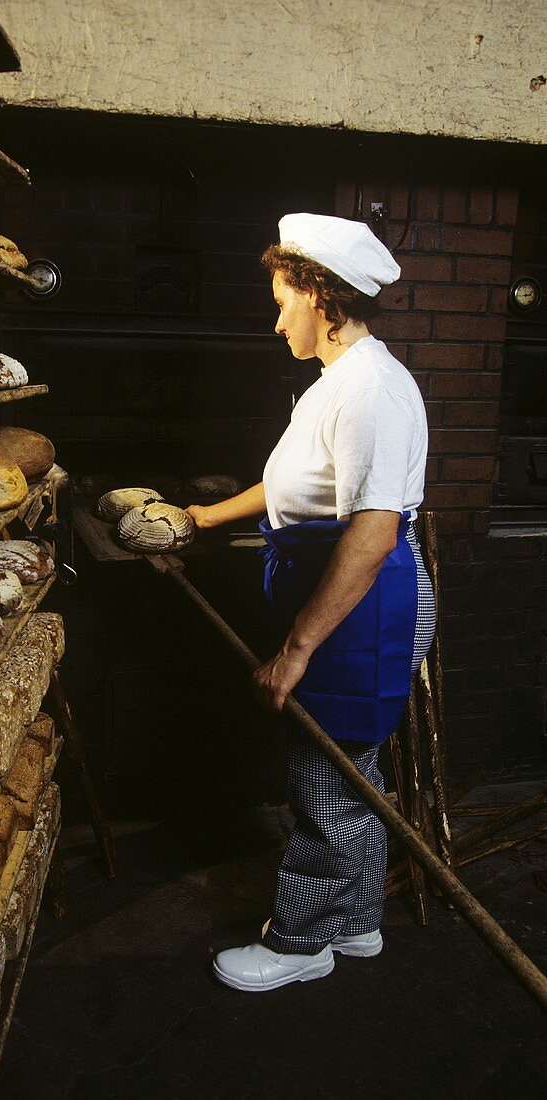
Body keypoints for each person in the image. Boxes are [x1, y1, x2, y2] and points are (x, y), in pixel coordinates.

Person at [186, 213, 435, 993]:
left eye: (283, 301)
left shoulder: (369, 394)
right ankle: (355, 919)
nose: (275, 318)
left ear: (320, 297)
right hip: (346, 594)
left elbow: (370, 534)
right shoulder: (341, 386)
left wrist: (295, 650)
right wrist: (201, 519)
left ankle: (300, 942)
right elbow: (292, 486)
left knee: (326, 774)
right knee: (353, 768)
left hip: (364, 598)